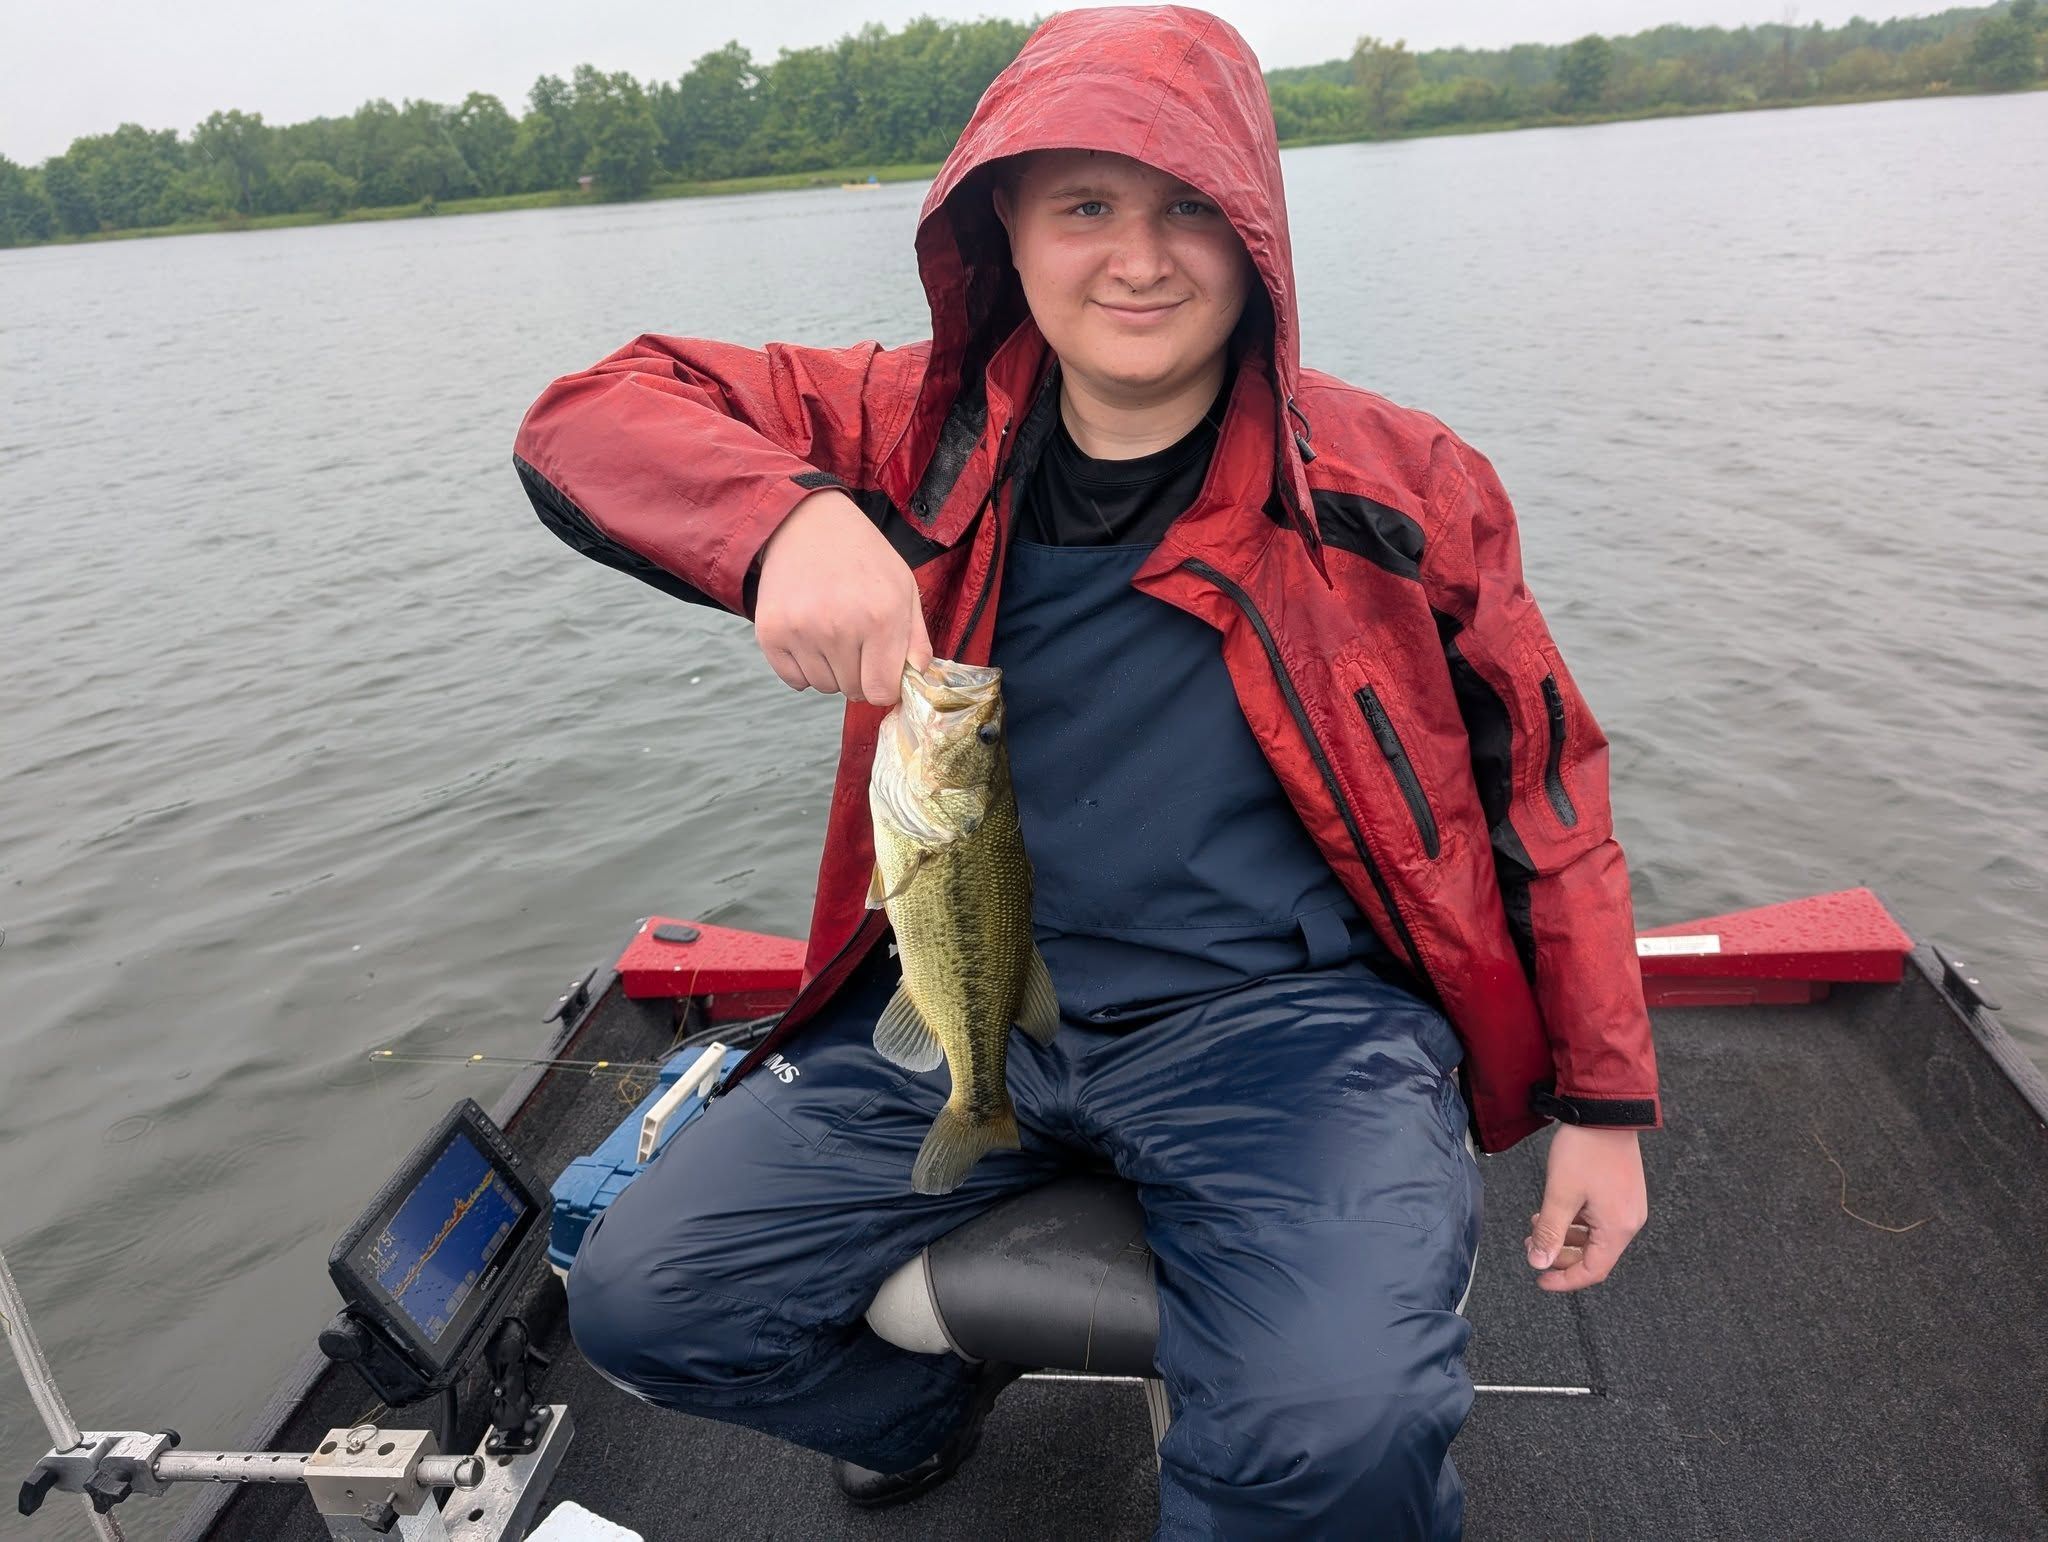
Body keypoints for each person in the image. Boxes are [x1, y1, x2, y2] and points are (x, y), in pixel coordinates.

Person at [513, 7, 1660, 1537]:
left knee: (1339, 1430)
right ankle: (925, 1404)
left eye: (1190, 205)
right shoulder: (902, 431)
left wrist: (1602, 1098)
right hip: (964, 1000)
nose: (1139, 258)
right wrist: (785, 520)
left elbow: (1549, 795)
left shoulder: (1405, 485)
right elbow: (594, 412)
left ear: (1258, 231)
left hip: (1291, 1031)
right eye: (1086, 206)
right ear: (1003, 226)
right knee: (645, 1298)